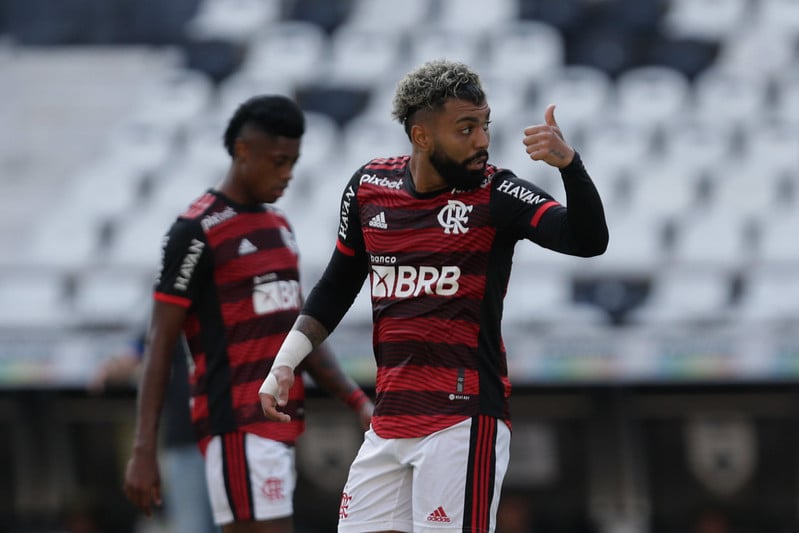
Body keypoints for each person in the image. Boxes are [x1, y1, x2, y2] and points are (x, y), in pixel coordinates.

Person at [259, 59, 609, 532]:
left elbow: (587, 241)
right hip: (389, 424)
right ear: (422, 136)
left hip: (461, 422)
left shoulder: (496, 192)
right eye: (466, 129)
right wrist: (285, 363)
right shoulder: (369, 189)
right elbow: (337, 285)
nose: (482, 140)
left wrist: (570, 166)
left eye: (485, 125)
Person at [124, 94, 374, 533]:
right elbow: (160, 345)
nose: (288, 174)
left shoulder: (279, 227)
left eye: (293, 162)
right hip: (236, 424)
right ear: (243, 150)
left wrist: (357, 400)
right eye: (278, 161)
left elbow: (299, 334)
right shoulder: (196, 232)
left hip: (278, 424)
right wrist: (144, 449)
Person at [92, 332, 217, 533]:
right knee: (193, 525)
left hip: (225, 439)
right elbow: (135, 355)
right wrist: (111, 368)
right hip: (185, 441)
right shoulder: (170, 315)